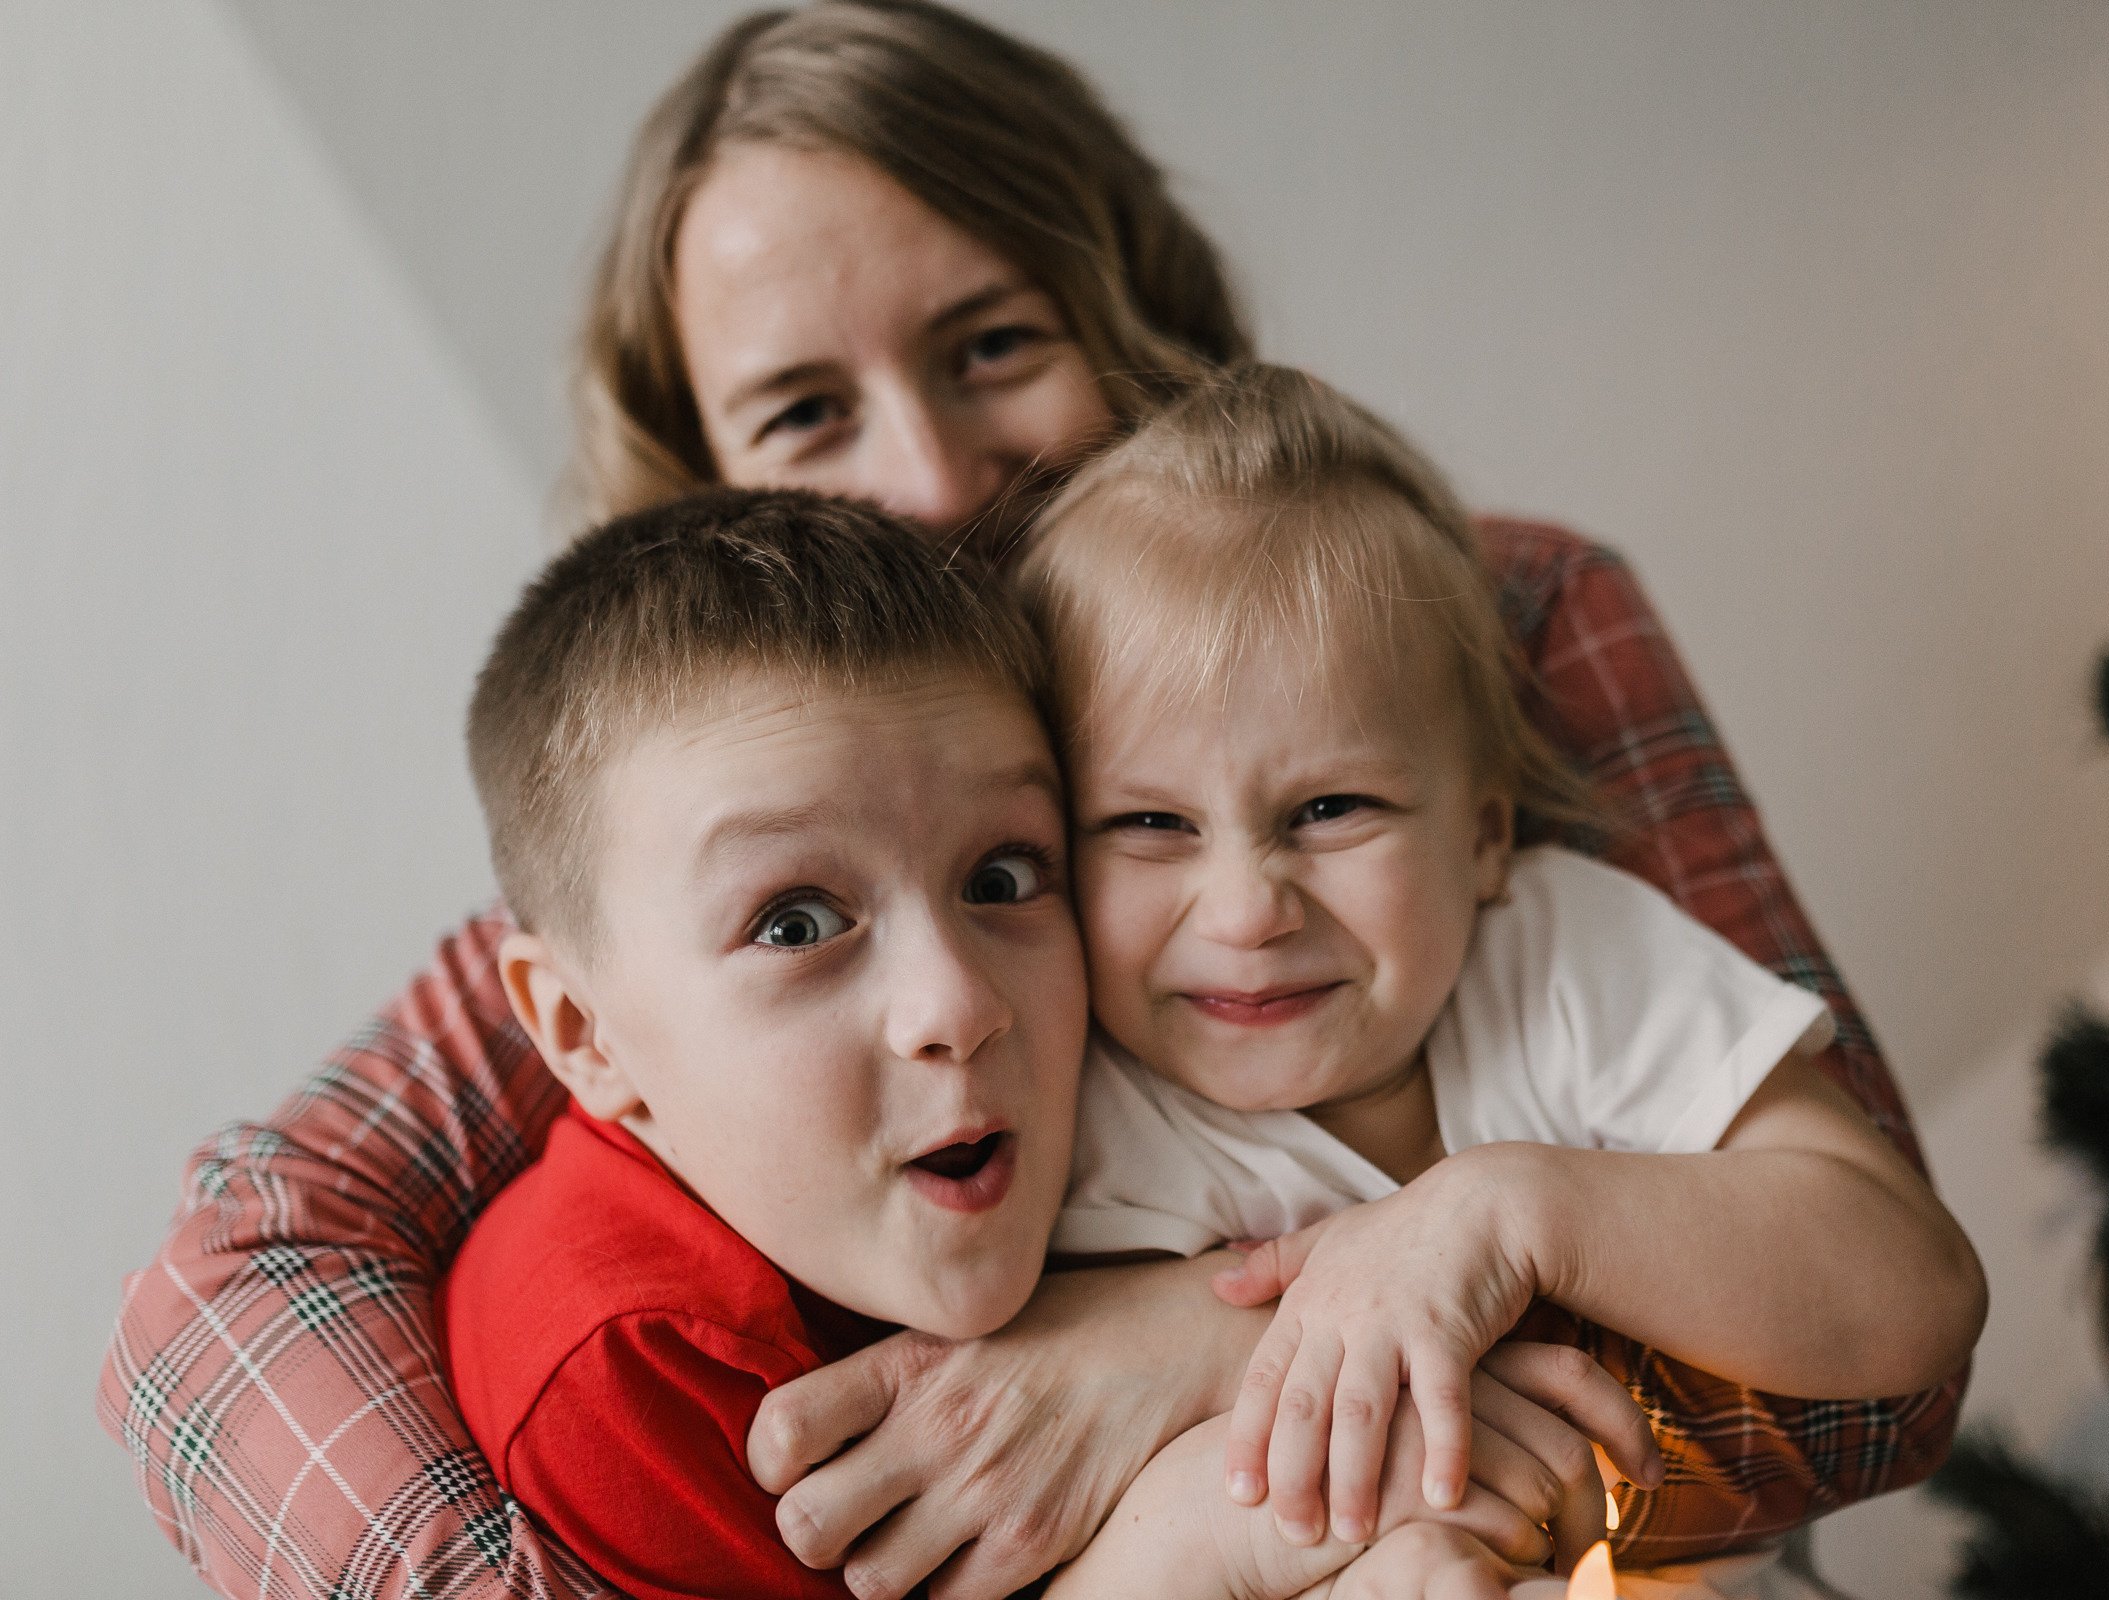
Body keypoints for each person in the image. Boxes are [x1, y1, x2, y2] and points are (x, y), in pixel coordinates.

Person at [97, 5, 1962, 1598]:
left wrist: (1213, 1348)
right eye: (804, 415)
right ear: (705, 482)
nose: (928, 479)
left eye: (993, 344)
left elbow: (1886, 1379)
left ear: (1128, 312)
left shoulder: (1492, 616)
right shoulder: (726, 849)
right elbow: (220, 1297)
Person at [437, 488, 1592, 1600]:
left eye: (1001, 877)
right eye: (793, 922)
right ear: (584, 1033)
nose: (957, 1002)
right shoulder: (630, 1367)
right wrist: (1195, 1536)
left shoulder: (1102, 1062)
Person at [1018, 365, 1984, 1587]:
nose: (1249, 908)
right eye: (1148, 824)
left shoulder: (1561, 953)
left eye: (1330, 807)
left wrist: (1510, 1212)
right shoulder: (1079, 1119)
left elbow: (1921, 1293)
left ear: (1482, 837)